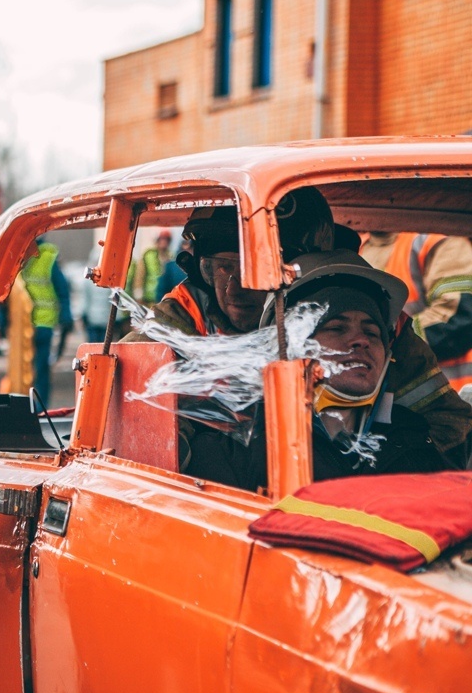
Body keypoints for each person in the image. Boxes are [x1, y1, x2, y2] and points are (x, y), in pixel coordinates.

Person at [129, 187, 472, 458]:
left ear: (306, 271)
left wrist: (388, 465)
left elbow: (450, 425)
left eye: (252, 272)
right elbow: (141, 433)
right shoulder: (179, 324)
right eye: (221, 267)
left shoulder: (370, 324)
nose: (233, 288)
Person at [182, 250, 469, 491]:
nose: (361, 341)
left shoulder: (416, 442)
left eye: (372, 332)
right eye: (336, 327)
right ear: (292, 348)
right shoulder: (234, 446)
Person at [361, 231, 472, 399]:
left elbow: (459, 317)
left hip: (457, 395)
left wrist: (391, 341)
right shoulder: (358, 247)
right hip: (398, 400)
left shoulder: (435, 241)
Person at [20, 235, 73, 408]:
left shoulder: (41, 256)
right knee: (30, 369)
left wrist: (65, 316)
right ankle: (31, 406)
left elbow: (62, 289)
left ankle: (38, 408)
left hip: (40, 324)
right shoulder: (36, 256)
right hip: (32, 324)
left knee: (38, 368)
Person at [130, 229, 173, 304]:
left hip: (165, 299)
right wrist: (138, 295)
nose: (164, 242)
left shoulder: (172, 256)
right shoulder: (148, 255)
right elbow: (139, 276)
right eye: (162, 239)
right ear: (157, 240)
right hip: (148, 299)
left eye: (166, 239)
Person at [80, 241, 111, 344]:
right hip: (106, 320)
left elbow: (85, 299)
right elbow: (114, 300)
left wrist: (83, 314)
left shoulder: (88, 280)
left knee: (92, 345)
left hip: (92, 319)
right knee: (103, 346)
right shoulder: (110, 280)